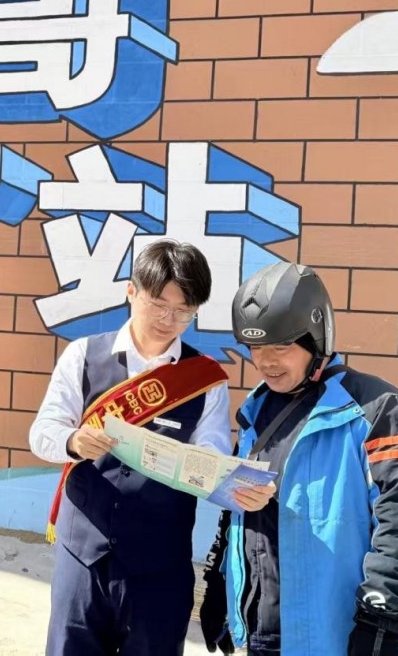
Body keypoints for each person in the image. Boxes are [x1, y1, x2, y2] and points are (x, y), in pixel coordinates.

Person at [30, 239, 274, 656]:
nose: (168, 319)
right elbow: (43, 432)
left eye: (183, 311)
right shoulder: (83, 356)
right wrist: (73, 441)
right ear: (131, 292)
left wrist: (237, 488)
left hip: (159, 563)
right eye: (158, 304)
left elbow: (211, 457)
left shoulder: (204, 380)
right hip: (83, 554)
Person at [199, 261, 398, 656]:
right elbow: (242, 513)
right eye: (255, 347)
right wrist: (221, 583)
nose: (265, 361)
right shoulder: (256, 412)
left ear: (317, 339)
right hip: (269, 635)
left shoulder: (377, 409)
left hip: (341, 635)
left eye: (281, 346)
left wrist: (383, 614)